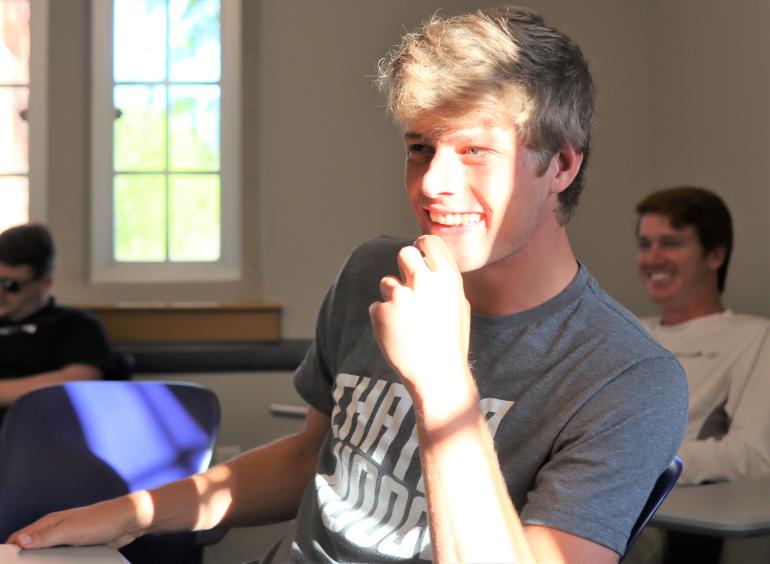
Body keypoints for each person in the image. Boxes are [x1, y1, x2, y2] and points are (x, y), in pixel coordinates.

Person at [8, 7, 687, 563]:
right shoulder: (374, 271)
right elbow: (312, 459)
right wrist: (129, 513)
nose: (431, 183)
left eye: (475, 150)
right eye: (420, 147)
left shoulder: (629, 378)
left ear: (561, 165)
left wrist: (443, 386)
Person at [636, 186, 770, 486]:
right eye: (645, 244)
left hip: (665, 513)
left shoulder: (755, 337)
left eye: (670, 243)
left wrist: (635, 460)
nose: (652, 258)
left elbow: (754, 455)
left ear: (715, 256)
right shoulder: (627, 331)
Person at [0, 223, 114, 423]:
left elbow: (80, 380)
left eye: (11, 285)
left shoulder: (75, 325)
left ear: (45, 283)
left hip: (43, 431)